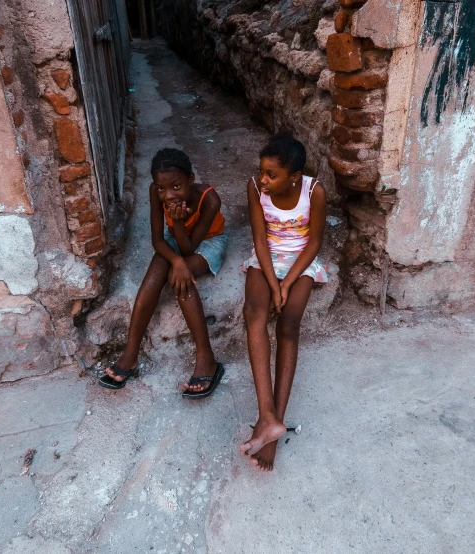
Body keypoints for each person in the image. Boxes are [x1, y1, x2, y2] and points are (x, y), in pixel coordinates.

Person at [99, 148, 228, 398]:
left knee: (177, 278)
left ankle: (207, 359)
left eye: (176, 186)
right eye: (161, 188)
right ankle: (131, 352)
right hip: (174, 240)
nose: (168, 195)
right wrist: (176, 259)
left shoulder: (209, 199)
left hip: (208, 241)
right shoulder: (155, 193)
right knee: (158, 269)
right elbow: (158, 240)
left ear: (191, 180)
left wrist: (179, 239)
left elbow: (190, 246)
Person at [240, 132, 328, 470]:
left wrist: (287, 283)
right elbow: (260, 240)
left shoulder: (313, 191)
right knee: (254, 315)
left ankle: (274, 427)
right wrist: (272, 284)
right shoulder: (255, 189)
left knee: (289, 326)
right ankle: (267, 417)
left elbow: (314, 242)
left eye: (271, 175)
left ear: (294, 178)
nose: (263, 179)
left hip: (300, 262)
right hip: (266, 258)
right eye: (262, 171)